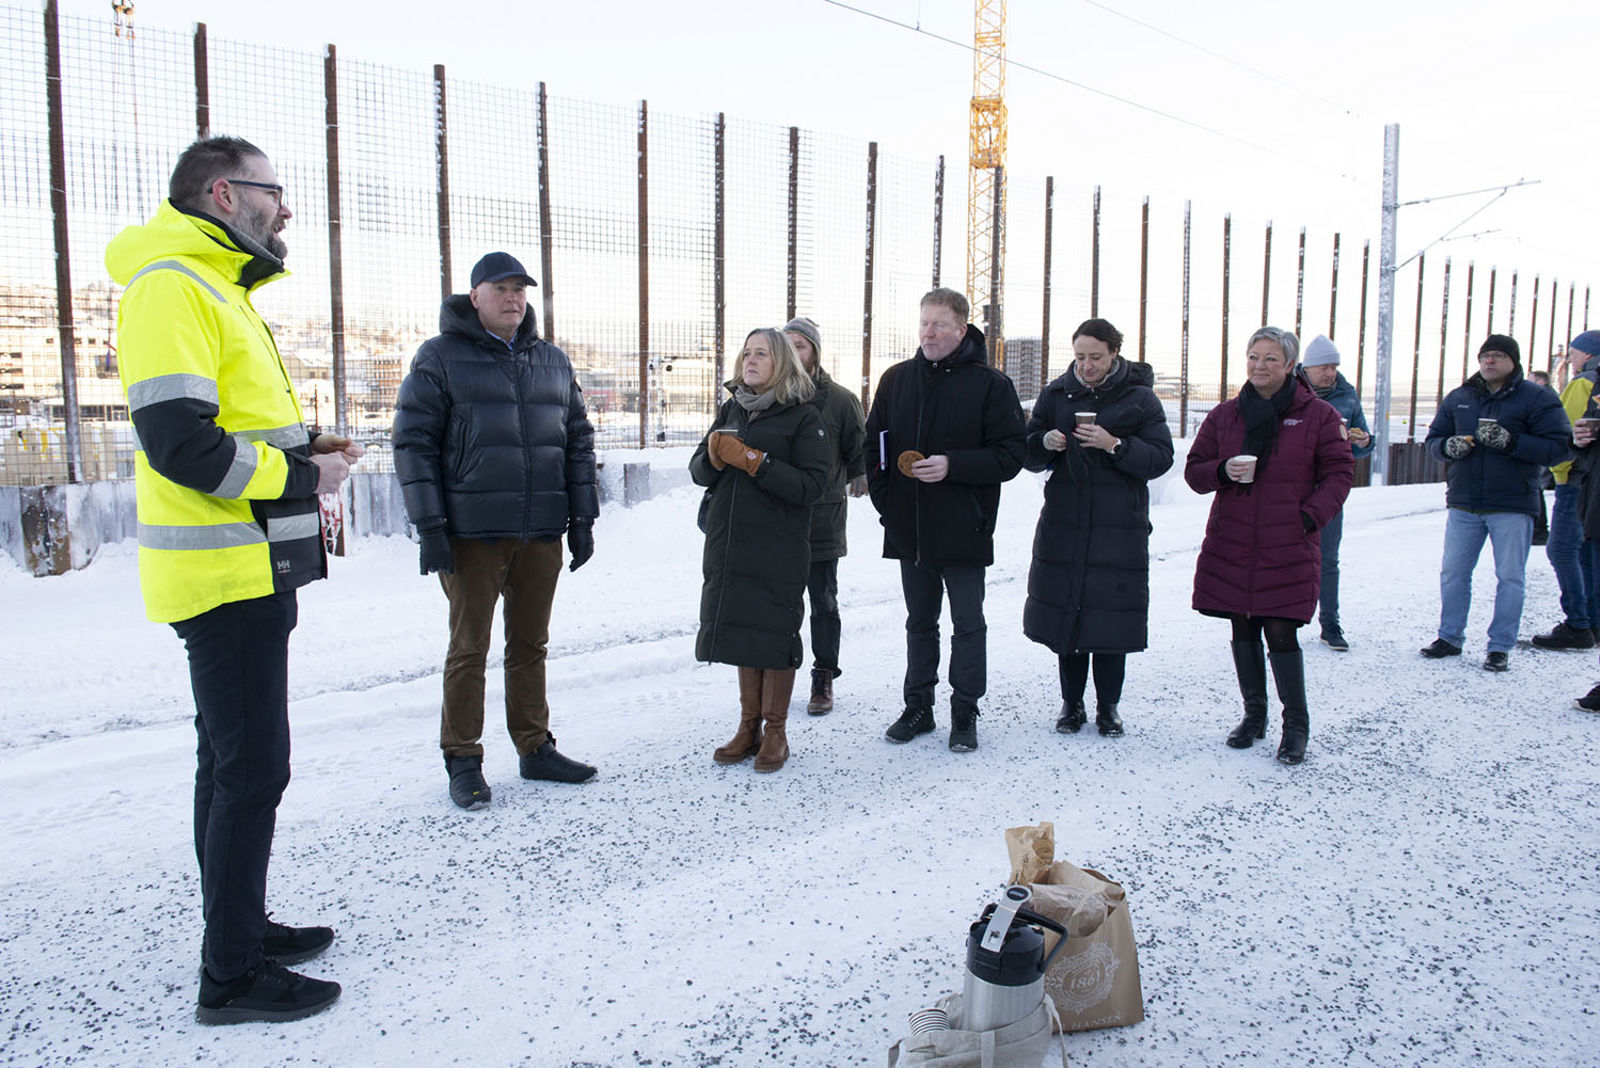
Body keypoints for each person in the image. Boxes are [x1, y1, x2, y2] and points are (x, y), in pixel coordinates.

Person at [107, 135, 355, 1023]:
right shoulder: (173, 285)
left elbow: (233, 420)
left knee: (229, 763)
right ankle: (232, 976)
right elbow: (181, 445)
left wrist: (303, 446)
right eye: (274, 192)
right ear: (224, 194)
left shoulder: (212, 284)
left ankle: (238, 926)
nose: (285, 209)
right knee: (253, 772)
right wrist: (300, 480)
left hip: (246, 564)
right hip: (222, 574)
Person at [393, 251, 599, 810]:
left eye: (520, 289)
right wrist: (430, 524)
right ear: (474, 296)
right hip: (472, 535)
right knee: (469, 648)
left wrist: (582, 518)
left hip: (540, 532)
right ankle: (463, 757)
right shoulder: (439, 358)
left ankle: (534, 747)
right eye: (500, 288)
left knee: (530, 644)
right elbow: (413, 444)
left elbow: (577, 442)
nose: (513, 298)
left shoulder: (552, 362)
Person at [865, 288, 1026, 752]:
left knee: (968, 623)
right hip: (909, 528)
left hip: (964, 527)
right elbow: (874, 446)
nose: (929, 332)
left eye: (939, 324)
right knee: (919, 622)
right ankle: (918, 706)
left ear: (962, 328)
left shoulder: (991, 385)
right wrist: (886, 503)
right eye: (923, 323)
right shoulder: (896, 380)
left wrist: (954, 465)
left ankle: (964, 710)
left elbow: (1011, 455)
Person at [1185, 326, 1353, 765]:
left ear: (1291, 366)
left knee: (1280, 629)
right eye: (1253, 357)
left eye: (1271, 359)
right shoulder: (1225, 415)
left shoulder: (1316, 416)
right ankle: (1253, 716)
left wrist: (1308, 516)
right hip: (1235, 537)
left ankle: (1295, 725)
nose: (1260, 366)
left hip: (1288, 540)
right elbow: (1195, 471)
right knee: (1241, 625)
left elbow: (1339, 473)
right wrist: (1223, 470)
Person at [1022, 318, 1173, 737]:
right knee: (1067, 618)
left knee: (1110, 621)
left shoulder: (1140, 399)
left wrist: (1115, 445)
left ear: (1114, 355)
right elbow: (1026, 451)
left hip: (1118, 526)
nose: (1086, 365)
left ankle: (1109, 708)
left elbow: (1161, 457)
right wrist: (1046, 443)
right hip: (1065, 522)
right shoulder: (1055, 394)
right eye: (1080, 357)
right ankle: (1071, 706)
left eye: (1095, 357)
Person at [690, 328, 830, 773]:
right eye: (746, 353)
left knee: (773, 633)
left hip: (777, 545)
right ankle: (747, 726)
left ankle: (776, 732)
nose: (750, 360)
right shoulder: (732, 409)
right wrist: (714, 457)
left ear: (783, 363)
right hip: (730, 543)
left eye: (762, 354)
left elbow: (812, 485)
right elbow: (699, 470)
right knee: (742, 632)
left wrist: (755, 461)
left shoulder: (803, 417)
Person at [1420, 335, 1570, 671]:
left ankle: (1499, 646)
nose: (1489, 362)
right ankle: (1449, 637)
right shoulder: (1460, 397)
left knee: (1510, 577)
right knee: (1454, 572)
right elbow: (1433, 440)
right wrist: (1448, 447)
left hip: (1512, 503)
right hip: (1464, 501)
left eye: (1498, 356)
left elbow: (1560, 446)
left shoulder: (1537, 398)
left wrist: (1512, 442)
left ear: (1514, 361)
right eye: (1485, 356)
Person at [783, 316, 867, 715]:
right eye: (788, 345)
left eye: (801, 345)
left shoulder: (840, 400)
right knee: (778, 602)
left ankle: (823, 674)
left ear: (815, 351)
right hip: (777, 518)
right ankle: (777, 673)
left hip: (821, 518)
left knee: (822, 601)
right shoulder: (771, 395)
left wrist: (829, 484)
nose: (795, 353)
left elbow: (857, 455)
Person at [1297, 335, 1374, 651]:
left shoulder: (1347, 395)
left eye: (1334, 366)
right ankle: (1274, 620)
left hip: (1329, 489)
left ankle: (1330, 624)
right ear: (1307, 367)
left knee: (1327, 559)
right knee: (1278, 555)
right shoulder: (1289, 389)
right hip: (1290, 486)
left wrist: (1363, 442)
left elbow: (1362, 442)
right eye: (1324, 367)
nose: (1330, 372)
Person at [1531, 333, 1600, 650]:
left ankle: (1578, 623)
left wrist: (1556, 470)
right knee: (1586, 551)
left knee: (1562, 549)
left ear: (1587, 355)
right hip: (1590, 481)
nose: (1568, 360)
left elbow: (1566, 433)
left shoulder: (1583, 384)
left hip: (1575, 480)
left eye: (1571, 354)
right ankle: (1591, 621)